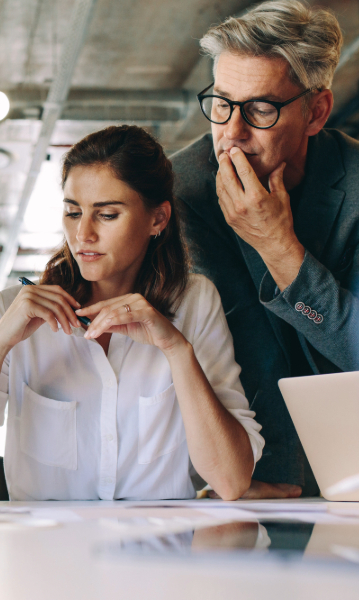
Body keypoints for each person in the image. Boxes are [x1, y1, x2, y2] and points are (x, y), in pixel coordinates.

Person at [0, 126, 264, 501]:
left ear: (158, 219)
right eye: (73, 212)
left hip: (160, 552)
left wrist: (176, 349)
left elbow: (231, 481)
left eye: (106, 215)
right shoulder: (11, 311)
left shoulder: (196, 302)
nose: (82, 234)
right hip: (47, 552)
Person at [171, 0, 359, 498]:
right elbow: (239, 348)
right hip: (249, 474)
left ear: (316, 111)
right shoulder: (181, 191)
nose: (230, 133)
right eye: (221, 102)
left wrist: (279, 248)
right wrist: (267, 473)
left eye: (260, 109)